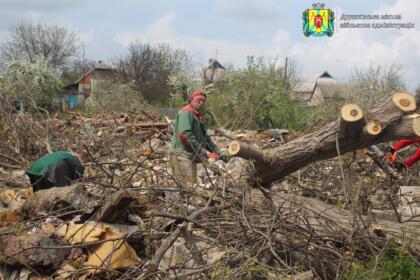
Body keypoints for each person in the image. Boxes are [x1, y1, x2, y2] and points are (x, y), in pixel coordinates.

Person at [170, 90, 226, 186]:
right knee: (187, 187)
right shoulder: (186, 112)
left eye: (203, 101)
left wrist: (217, 152)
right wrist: (201, 150)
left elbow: (206, 139)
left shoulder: (197, 116)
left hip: (192, 155)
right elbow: (184, 134)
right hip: (182, 156)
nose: (201, 103)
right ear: (191, 99)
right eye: (199, 100)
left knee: (193, 184)